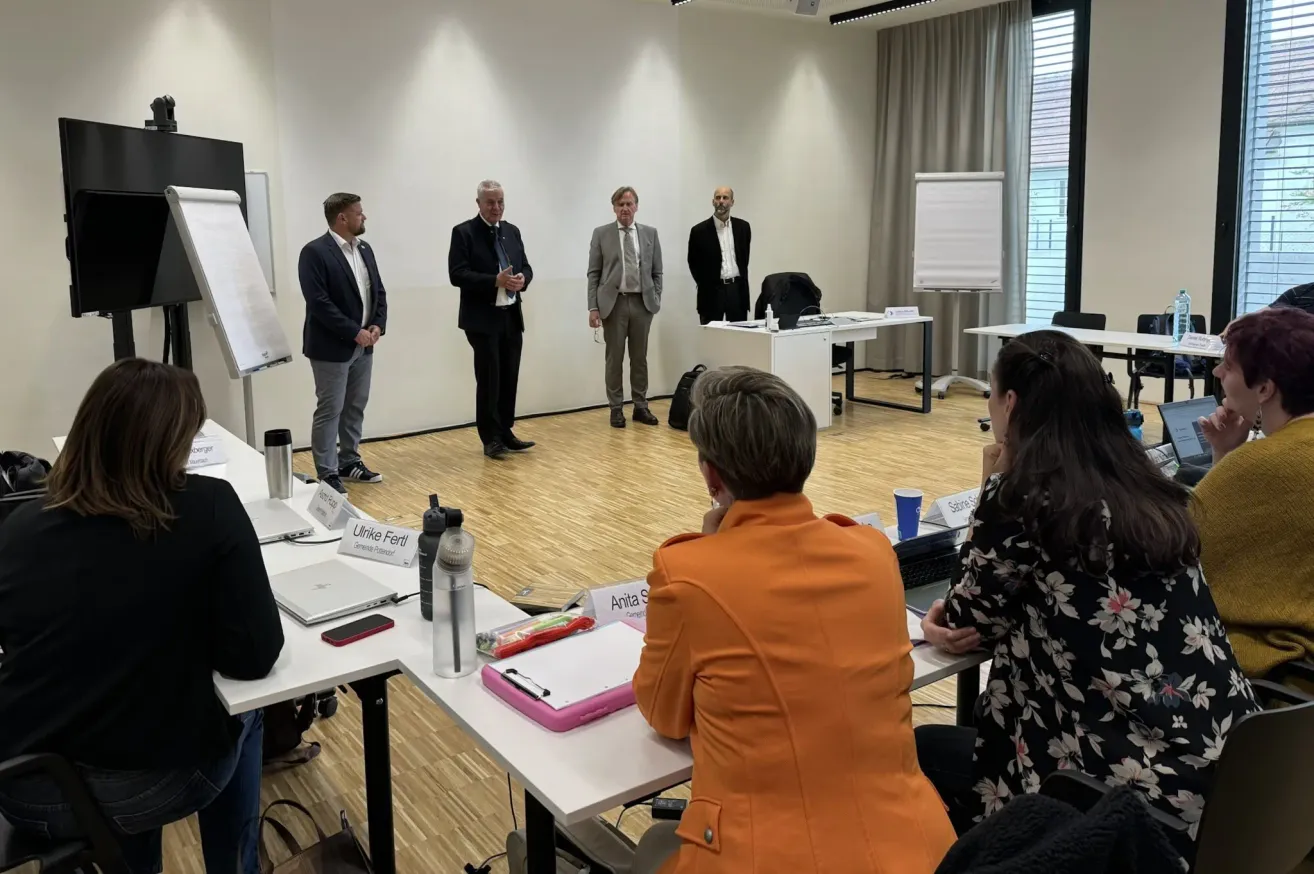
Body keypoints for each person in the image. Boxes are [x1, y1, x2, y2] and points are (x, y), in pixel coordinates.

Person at [917, 330, 1259, 839]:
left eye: (991, 395)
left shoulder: (1026, 499)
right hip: (1235, 774)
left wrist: (993, 480)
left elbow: (971, 621)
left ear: (1010, 403)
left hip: (1125, 797)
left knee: (923, 749)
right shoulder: (1153, 486)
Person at [632, 366, 955, 874]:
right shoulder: (871, 550)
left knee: (652, 847)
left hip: (761, 857)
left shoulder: (687, 574)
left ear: (712, 476)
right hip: (917, 848)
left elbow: (665, 715)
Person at [0, 359, 284, 874]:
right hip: (147, 783)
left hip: (23, 785)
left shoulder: (19, 522)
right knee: (245, 710)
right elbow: (255, 657)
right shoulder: (208, 505)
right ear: (174, 441)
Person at [1193, 307, 1314, 679]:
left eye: (1227, 367)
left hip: (1275, 681)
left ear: (1264, 388)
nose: (1216, 373)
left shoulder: (1263, 464)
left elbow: (1181, 548)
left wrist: (1232, 460)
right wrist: (1226, 454)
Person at [298, 192, 388, 494]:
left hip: (365, 344)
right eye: (359, 213)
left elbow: (378, 292)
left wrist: (377, 325)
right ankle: (327, 472)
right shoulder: (314, 252)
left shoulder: (365, 249)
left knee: (355, 407)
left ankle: (349, 462)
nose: (364, 217)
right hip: (331, 347)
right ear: (342, 218)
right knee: (330, 408)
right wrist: (354, 331)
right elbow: (319, 302)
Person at [450, 180, 536, 458]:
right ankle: (490, 438)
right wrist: (494, 281)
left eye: (500, 201)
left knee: (510, 375)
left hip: (511, 315)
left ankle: (506, 431)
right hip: (482, 319)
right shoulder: (464, 233)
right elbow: (457, 274)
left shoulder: (512, 231)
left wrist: (523, 279)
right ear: (478, 203)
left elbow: (526, 266)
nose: (496, 207)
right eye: (490, 202)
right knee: (490, 378)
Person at [588, 187, 664, 429]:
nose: (625, 208)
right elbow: (594, 273)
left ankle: (641, 405)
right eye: (620, 204)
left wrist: (656, 297)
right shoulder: (602, 234)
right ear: (614, 207)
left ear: (636, 206)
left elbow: (657, 271)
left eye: (629, 203)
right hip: (614, 303)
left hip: (642, 304)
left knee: (639, 358)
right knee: (615, 358)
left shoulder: (650, 233)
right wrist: (593, 307)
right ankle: (616, 408)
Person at [687, 187, 751, 324]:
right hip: (711, 291)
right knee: (711, 339)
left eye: (725, 197)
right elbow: (693, 263)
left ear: (732, 202)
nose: (721, 201)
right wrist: (705, 284)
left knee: (738, 337)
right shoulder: (699, 231)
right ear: (713, 201)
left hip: (737, 290)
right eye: (718, 197)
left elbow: (744, 258)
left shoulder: (743, 228)